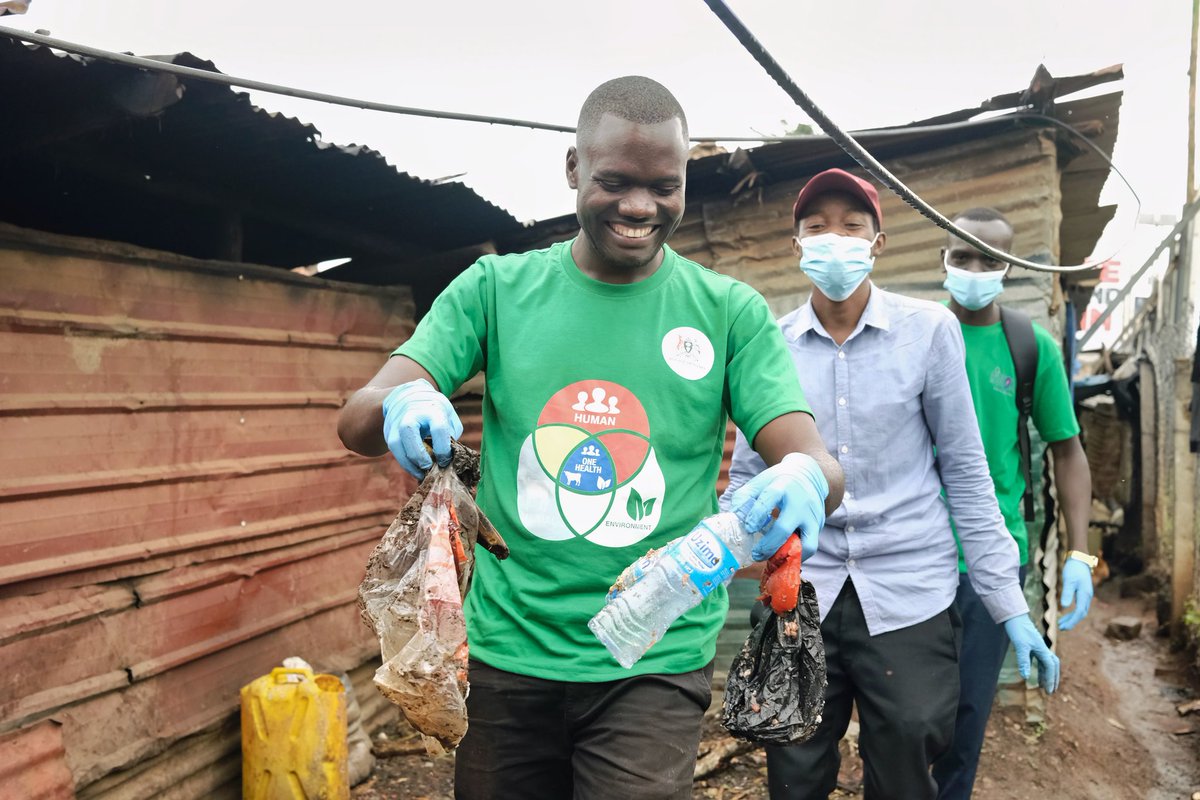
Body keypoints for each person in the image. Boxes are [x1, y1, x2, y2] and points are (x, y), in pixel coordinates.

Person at [337, 76, 844, 800]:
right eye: (614, 182)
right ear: (574, 171)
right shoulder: (496, 290)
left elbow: (813, 457)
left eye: (663, 186)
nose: (640, 207)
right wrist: (400, 400)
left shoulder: (728, 311)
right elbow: (357, 417)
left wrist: (803, 476)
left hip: (653, 659)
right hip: (510, 654)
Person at [721, 168, 1060, 800]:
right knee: (793, 769)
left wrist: (1008, 603)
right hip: (803, 594)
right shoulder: (771, 345)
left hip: (908, 587)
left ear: (878, 242)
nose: (835, 239)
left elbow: (965, 471)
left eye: (852, 226)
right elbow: (745, 482)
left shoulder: (930, 331)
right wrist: (718, 556)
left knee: (909, 753)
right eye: (817, 227)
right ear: (796, 247)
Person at [931, 207, 1096, 800]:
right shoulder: (916, 334)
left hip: (991, 562)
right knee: (903, 712)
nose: (975, 269)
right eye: (963, 256)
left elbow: (1068, 451)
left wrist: (1080, 552)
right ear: (941, 261)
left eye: (990, 259)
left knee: (968, 712)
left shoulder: (1029, 347)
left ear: (1010, 266)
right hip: (910, 555)